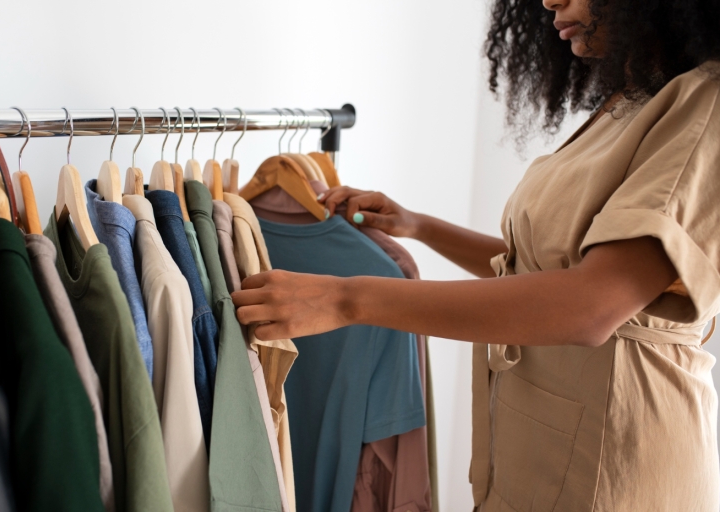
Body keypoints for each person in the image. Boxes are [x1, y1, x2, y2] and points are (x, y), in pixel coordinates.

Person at [232, 0, 720, 510]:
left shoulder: (704, 103)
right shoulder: (635, 100)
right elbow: (543, 269)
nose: (549, 1)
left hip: (620, 458)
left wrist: (347, 298)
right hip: (543, 450)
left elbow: (591, 303)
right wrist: (418, 226)